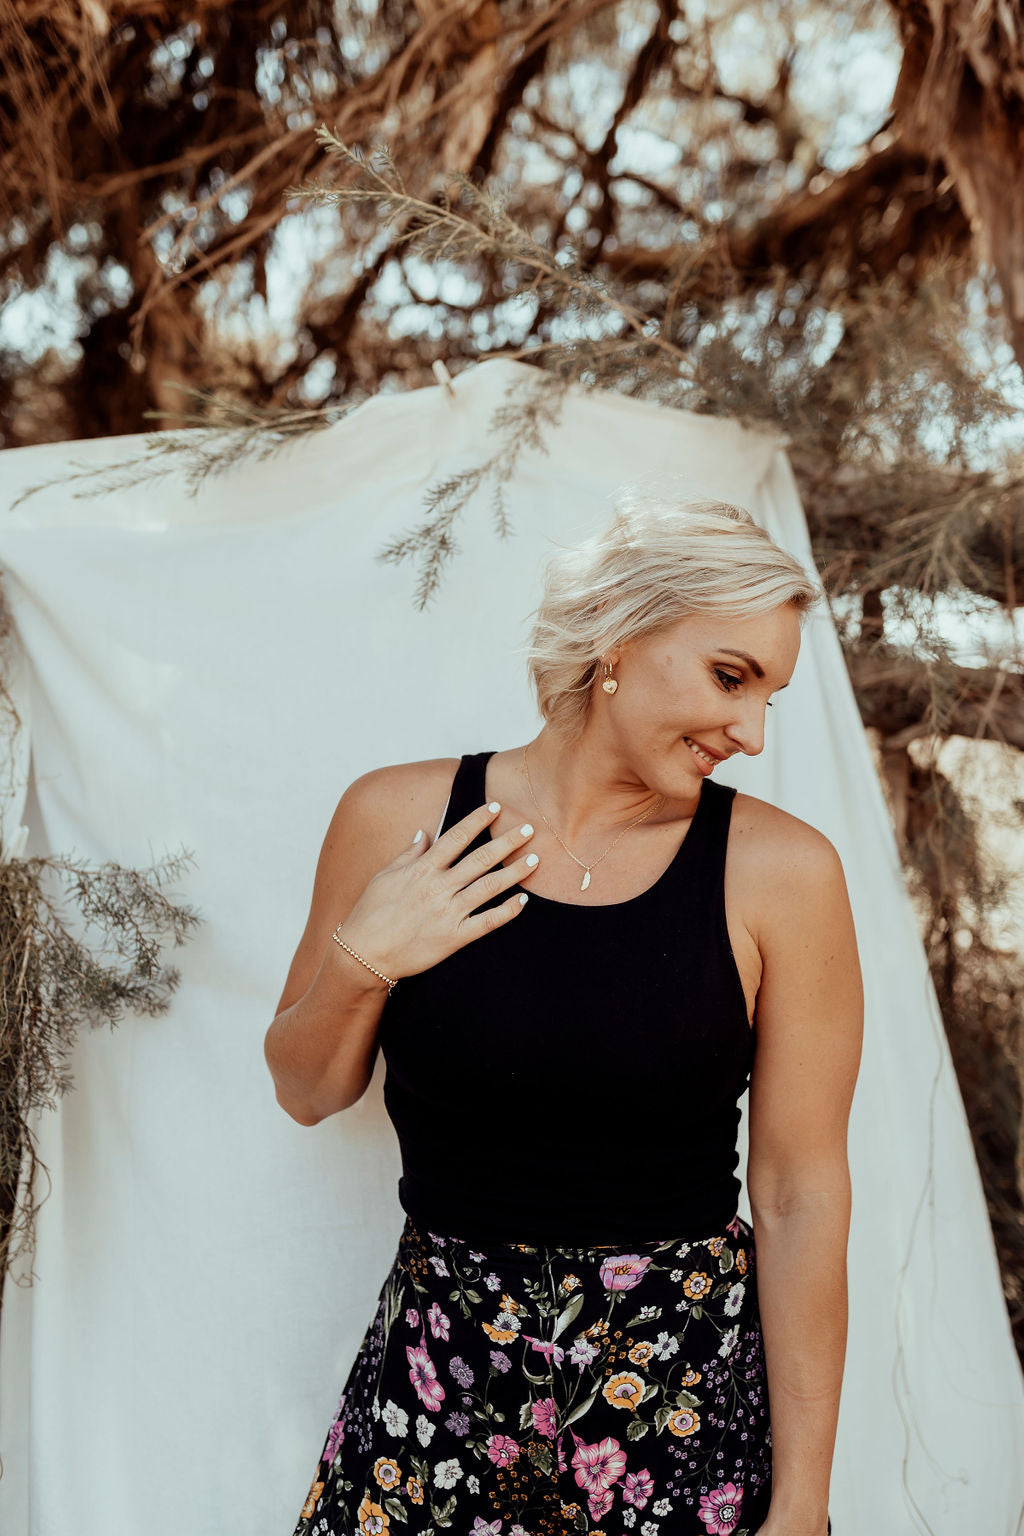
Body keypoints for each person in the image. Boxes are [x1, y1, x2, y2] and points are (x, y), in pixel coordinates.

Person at [265, 492, 863, 1536]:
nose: (753, 732)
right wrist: (365, 957)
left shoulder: (782, 873)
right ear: (618, 640)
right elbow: (308, 1090)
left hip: (678, 1411)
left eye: (768, 694)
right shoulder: (397, 819)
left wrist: (803, 1499)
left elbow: (800, 1190)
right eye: (732, 678)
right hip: (433, 1393)